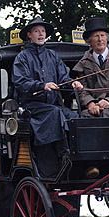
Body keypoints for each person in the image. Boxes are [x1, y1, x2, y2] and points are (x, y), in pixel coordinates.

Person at [12, 17, 82, 178]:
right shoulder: (22, 57)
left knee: (74, 116)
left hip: (52, 106)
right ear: (29, 35)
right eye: (37, 31)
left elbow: (63, 78)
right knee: (55, 113)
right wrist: (42, 85)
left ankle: (79, 157)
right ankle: (63, 154)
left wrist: (72, 84)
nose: (41, 34)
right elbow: (21, 82)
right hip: (31, 108)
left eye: (43, 31)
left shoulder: (52, 56)